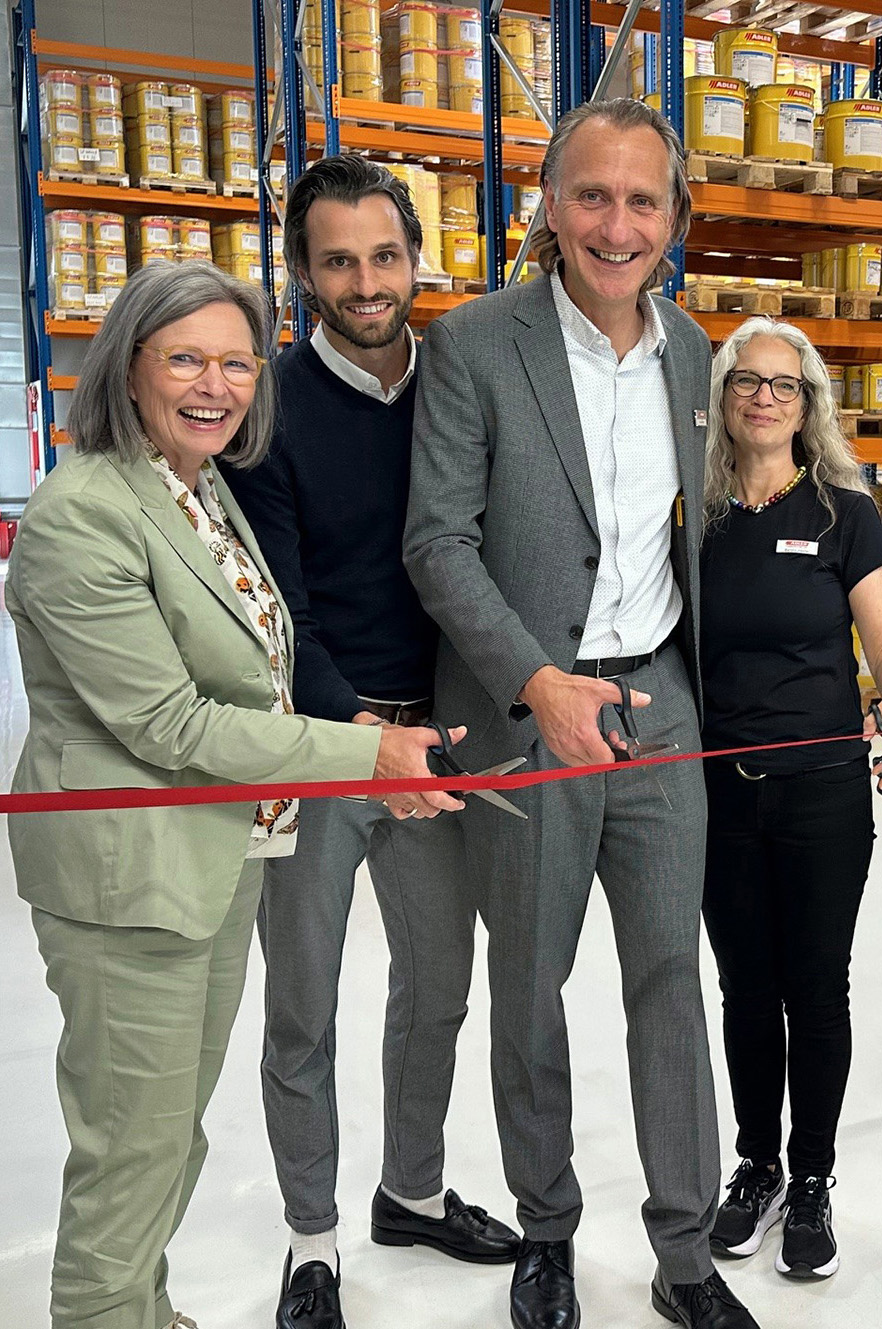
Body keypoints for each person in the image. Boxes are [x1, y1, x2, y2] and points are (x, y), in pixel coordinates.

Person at [6, 262, 457, 1329]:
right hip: (130, 885)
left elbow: (251, 662)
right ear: (127, 366)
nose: (215, 385)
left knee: (171, 1135)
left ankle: (147, 1313)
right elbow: (168, 725)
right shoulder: (84, 515)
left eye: (236, 363)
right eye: (185, 359)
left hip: (205, 869)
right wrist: (372, 755)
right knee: (131, 1150)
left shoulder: (196, 489)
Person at [403, 99, 760, 1329]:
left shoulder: (689, 352)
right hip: (526, 714)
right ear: (548, 207)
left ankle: (684, 1254)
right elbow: (438, 544)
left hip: (657, 704)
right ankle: (544, 1231)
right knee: (532, 984)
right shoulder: (473, 346)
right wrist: (533, 682)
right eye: (592, 197)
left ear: (675, 219)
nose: (618, 225)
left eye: (643, 201)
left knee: (671, 979)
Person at [222, 155, 517, 1329]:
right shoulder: (271, 411)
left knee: (438, 984)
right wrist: (360, 739)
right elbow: (276, 610)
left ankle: (411, 1187)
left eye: (384, 256)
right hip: (317, 749)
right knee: (301, 1006)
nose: (365, 281)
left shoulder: (457, 380)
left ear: (413, 259)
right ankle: (311, 1238)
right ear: (301, 272)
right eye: (337, 260)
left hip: (441, 744)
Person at [698, 319, 882, 1281]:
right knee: (745, 988)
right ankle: (755, 1165)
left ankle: (813, 1177)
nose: (763, 397)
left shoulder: (844, 512)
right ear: (719, 397)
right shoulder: (693, 515)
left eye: (783, 386)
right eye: (745, 381)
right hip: (717, 791)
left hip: (823, 792)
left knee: (813, 988)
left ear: (810, 404)